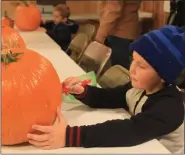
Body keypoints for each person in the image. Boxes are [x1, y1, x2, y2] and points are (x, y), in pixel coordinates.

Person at [27, 26, 185, 154]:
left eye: (141, 66)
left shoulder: (169, 108)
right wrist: (83, 91)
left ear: (164, 75)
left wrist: (69, 136)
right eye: (133, 61)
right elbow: (109, 97)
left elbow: (128, 131)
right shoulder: (137, 87)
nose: (132, 70)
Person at [95, 0, 141, 70]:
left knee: (120, 72)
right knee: (123, 70)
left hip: (120, 33)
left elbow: (113, 11)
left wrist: (100, 36)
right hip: (126, 30)